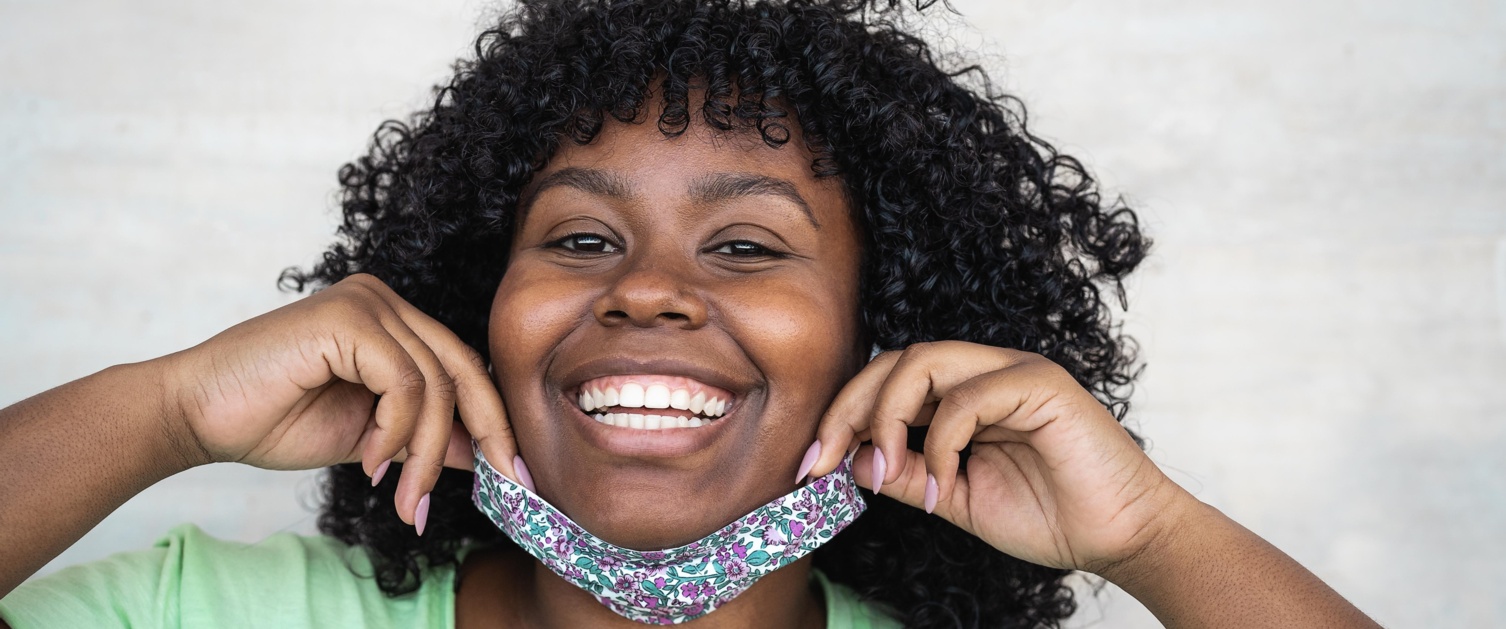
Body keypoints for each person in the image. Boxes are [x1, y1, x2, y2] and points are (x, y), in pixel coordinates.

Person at [0, 0, 1380, 627]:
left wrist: (1150, 532)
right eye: (581, 236)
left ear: (882, 335)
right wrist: (164, 410)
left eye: (746, 244)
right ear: (466, 313)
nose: (649, 287)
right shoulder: (199, 609)